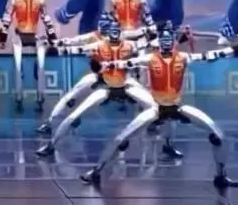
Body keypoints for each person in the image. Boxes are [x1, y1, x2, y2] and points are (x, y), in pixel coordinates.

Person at [79, 28, 238, 190]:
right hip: (156, 108)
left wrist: (234, 49)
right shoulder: (150, 58)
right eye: (163, 39)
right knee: (121, 139)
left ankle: (221, 175)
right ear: (159, 42)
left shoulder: (183, 57)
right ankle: (96, 171)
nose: (166, 42)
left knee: (217, 135)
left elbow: (208, 55)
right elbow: (127, 62)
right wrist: (105, 65)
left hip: (177, 106)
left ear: (173, 41)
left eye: (169, 39)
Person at [35, 20, 156, 157]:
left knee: (154, 107)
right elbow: (75, 47)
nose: (112, 31)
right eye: (107, 27)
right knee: (74, 109)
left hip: (124, 82)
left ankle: (140, 134)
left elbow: (147, 42)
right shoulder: (96, 42)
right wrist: (55, 44)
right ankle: (51, 137)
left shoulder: (128, 44)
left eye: (115, 28)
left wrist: (154, 30)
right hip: (101, 78)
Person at [35, 14, 114, 135]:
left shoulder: (120, 40)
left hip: (117, 78)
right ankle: (52, 122)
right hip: (98, 77)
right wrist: (56, 42)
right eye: (103, 25)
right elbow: (76, 41)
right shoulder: (94, 37)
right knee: (71, 97)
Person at [0, 0, 57, 112]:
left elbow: (46, 19)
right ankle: (19, 97)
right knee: (18, 66)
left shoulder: (39, 0)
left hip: (35, 35)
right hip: (19, 34)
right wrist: (2, 39)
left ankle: (40, 97)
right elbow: (6, 19)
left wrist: (52, 36)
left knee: (41, 65)